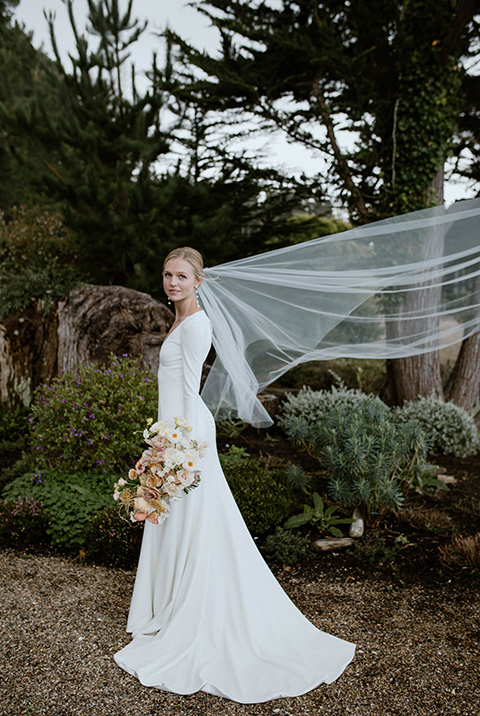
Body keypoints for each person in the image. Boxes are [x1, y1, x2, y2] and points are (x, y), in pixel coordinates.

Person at [114, 246, 355, 703]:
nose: (173, 283)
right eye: (167, 275)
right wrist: (162, 440)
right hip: (173, 432)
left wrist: (177, 447)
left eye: (182, 276)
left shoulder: (198, 323)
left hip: (186, 437)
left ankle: (190, 613)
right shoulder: (180, 320)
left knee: (193, 521)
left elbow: (188, 389)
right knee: (176, 521)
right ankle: (167, 608)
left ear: (199, 281)